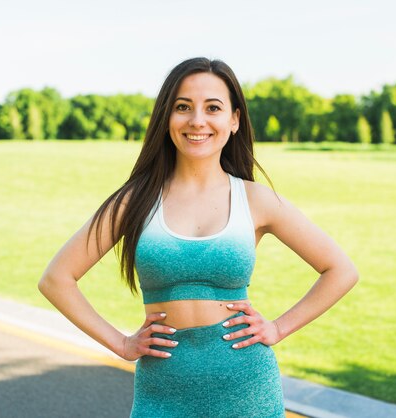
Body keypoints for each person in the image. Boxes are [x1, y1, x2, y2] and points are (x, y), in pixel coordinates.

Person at [38, 57, 359, 418]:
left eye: (213, 108)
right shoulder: (135, 201)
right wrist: (122, 344)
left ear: (234, 120)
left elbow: (340, 269)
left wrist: (279, 328)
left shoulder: (256, 199)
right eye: (183, 107)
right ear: (166, 118)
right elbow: (56, 279)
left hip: (247, 389)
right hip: (161, 392)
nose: (197, 120)